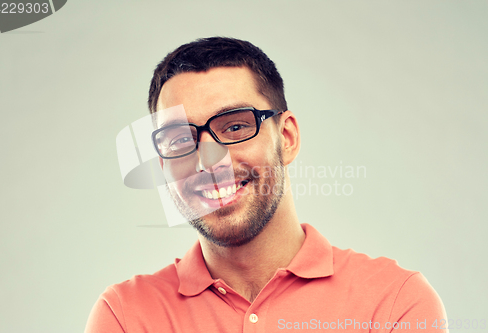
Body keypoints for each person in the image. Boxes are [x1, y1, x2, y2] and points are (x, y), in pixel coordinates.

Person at [85, 37, 447, 332]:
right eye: (181, 140)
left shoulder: (394, 303)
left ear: (286, 137)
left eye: (236, 126)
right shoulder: (124, 317)